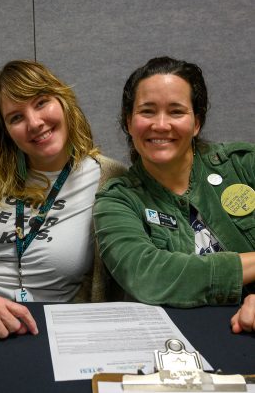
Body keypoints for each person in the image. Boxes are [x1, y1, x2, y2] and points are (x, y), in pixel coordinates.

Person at [0, 60, 126, 324]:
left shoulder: (109, 177)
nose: (34, 122)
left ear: (63, 101)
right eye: (16, 117)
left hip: (45, 319)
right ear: (5, 130)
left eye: (41, 102)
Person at [93, 57, 254, 328]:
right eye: (147, 111)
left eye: (176, 111)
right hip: (176, 339)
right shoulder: (117, 200)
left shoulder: (243, 165)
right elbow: (149, 277)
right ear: (129, 122)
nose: (161, 125)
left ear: (196, 123)